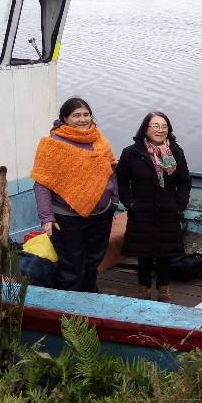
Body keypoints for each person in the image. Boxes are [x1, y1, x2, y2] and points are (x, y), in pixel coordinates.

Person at [31, 97, 118, 292]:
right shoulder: (52, 145)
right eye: (76, 115)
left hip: (101, 214)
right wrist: (46, 217)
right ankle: (70, 311)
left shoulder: (99, 139)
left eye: (86, 114)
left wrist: (113, 200)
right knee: (72, 265)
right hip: (67, 217)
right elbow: (42, 184)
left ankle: (89, 297)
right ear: (64, 118)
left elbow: (111, 170)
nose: (82, 119)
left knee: (93, 260)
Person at [115, 111, 192, 302]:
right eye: (155, 126)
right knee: (144, 253)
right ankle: (144, 289)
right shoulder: (131, 152)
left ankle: (164, 290)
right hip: (142, 210)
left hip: (168, 210)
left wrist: (179, 204)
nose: (160, 130)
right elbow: (122, 181)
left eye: (164, 126)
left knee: (166, 252)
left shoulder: (175, 151)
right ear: (146, 128)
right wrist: (131, 203)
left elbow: (184, 181)